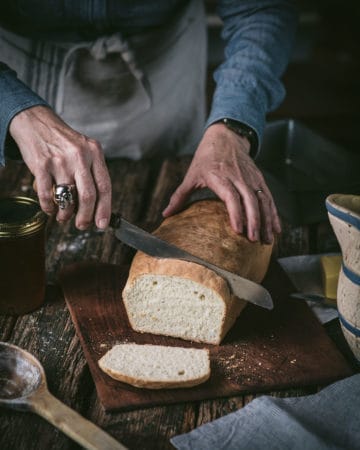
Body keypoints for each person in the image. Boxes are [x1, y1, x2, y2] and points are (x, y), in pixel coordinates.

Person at [0, 0, 297, 244]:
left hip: (166, 73)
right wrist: (15, 109)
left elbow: (259, 9)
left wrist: (233, 127)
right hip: (15, 87)